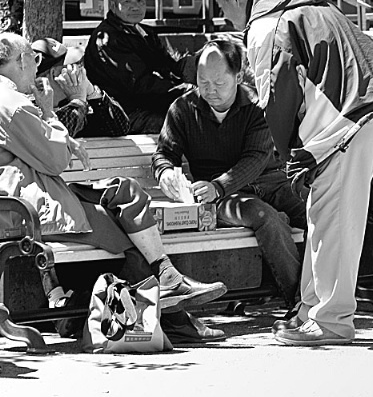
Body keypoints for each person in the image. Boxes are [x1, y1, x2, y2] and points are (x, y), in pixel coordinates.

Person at [204, 0, 373, 346]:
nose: (225, 18)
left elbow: (276, 100)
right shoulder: (307, 2)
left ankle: (330, 322)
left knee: (334, 225)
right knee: (325, 220)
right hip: (362, 116)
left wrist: (291, 159)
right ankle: (309, 312)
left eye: (221, 6)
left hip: (343, 124)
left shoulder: (266, 24)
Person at [0, 32, 227, 340]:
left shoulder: (12, 99)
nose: (37, 68)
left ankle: (170, 288)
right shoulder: (12, 103)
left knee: (127, 192)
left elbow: (50, 150)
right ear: (16, 62)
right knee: (129, 241)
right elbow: (54, 159)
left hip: (37, 197)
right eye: (34, 59)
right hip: (26, 210)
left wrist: (66, 116)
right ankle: (176, 318)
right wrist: (52, 112)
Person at [152, 38, 307, 309]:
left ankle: (339, 288)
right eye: (203, 82)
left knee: (319, 211)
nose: (210, 90)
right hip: (221, 196)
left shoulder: (259, 105)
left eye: (219, 83)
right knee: (265, 218)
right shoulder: (183, 108)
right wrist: (164, 172)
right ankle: (298, 301)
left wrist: (219, 185)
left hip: (267, 180)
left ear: (237, 76)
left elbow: (256, 157)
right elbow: (165, 152)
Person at [84, 0, 195, 133]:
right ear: (113, 3)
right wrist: (183, 91)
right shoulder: (107, 39)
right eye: (127, 1)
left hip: (147, 102)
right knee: (181, 124)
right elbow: (140, 85)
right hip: (122, 113)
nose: (135, 7)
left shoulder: (144, 32)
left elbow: (167, 66)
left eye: (140, 1)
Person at [32, 37, 130, 138]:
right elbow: (57, 139)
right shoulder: (31, 111)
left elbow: (120, 128)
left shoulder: (81, 103)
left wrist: (93, 93)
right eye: (72, 65)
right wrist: (77, 100)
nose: (79, 69)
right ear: (54, 73)